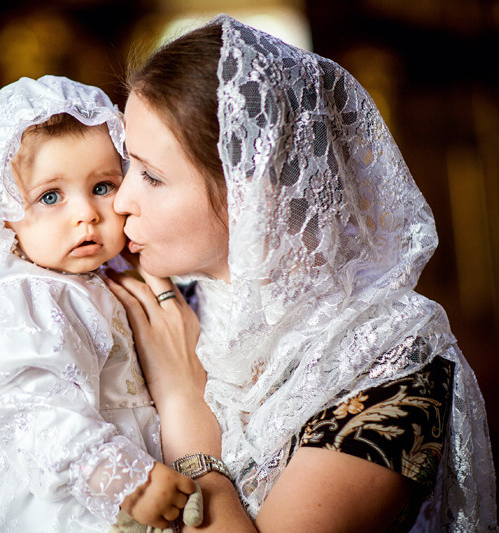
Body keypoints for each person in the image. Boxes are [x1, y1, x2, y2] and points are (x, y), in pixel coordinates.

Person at [105, 14, 498, 532]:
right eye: (127, 165)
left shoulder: (394, 366)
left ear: (254, 192)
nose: (122, 201)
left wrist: (183, 404)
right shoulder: (166, 300)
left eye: (152, 176)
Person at [0, 75, 202, 533]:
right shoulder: (20, 294)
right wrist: (125, 480)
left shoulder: (107, 274)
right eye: (50, 196)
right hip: (66, 486)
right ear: (4, 213)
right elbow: (34, 405)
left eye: (103, 186)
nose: (86, 213)